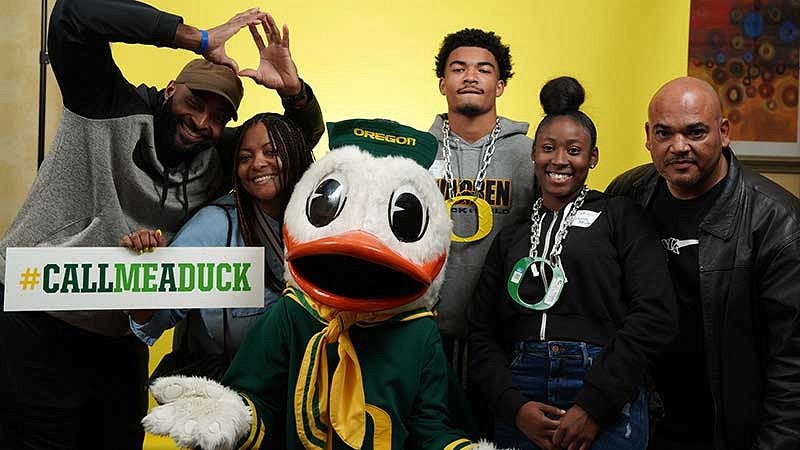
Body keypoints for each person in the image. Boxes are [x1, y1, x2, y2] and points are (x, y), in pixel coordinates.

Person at [0, 0, 323, 447]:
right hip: (40, 317)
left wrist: (294, 93)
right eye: (195, 103)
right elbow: (73, 14)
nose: (201, 123)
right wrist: (198, 38)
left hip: (121, 332)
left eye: (217, 117)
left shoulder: (217, 155)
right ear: (172, 88)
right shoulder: (105, 103)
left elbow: (285, 151)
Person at [468, 76, 678, 450]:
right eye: (548, 148)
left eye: (574, 150)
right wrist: (513, 407)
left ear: (593, 157)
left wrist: (595, 406)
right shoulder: (512, 235)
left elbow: (655, 315)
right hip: (522, 390)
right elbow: (480, 330)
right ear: (534, 154)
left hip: (604, 385)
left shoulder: (621, 217)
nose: (559, 160)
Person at [606, 77, 800, 450]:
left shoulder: (778, 223)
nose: (679, 147)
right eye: (664, 134)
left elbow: (792, 366)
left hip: (727, 432)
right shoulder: (627, 195)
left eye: (695, 132)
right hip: (640, 426)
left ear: (724, 132)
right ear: (648, 136)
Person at [123, 112, 314, 370]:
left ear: (295, 154)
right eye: (245, 158)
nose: (258, 164)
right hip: (228, 391)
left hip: (304, 390)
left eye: (271, 152)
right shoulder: (214, 225)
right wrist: (149, 271)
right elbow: (155, 321)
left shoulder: (323, 223)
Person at [428, 27, 535, 384]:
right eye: (458, 68)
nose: (471, 76)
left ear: (500, 85)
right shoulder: (416, 152)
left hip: (505, 331)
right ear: (443, 83)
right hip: (425, 328)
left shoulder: (532, 154)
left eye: (484, 69)